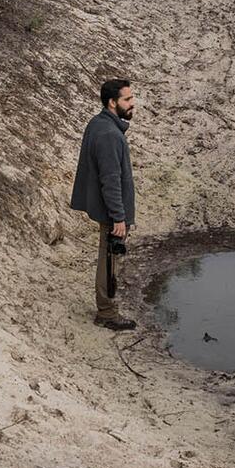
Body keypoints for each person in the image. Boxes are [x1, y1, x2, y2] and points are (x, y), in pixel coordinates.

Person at [70, 78, 137, 330]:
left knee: (109, 258)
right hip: (112, 214)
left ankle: (106, 308)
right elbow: (110, 180)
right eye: (127, 99)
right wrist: (118, 218)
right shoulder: (109, 134)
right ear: (112, 102)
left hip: (108, 209)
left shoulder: (98, 124)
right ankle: (107, 313)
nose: (133, 103)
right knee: (110, 261)